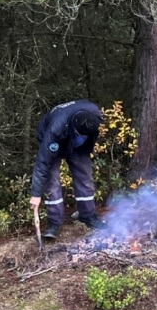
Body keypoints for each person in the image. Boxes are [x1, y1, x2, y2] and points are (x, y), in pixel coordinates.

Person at [29, 99, 108, 239]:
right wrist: (36, 194)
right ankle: (54, 222)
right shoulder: (54, 130)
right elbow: (42, 163)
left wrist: (84, 144)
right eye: (80, 134)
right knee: (52, 182)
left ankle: (87, 215)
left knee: (84, 176)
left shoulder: (93, 117)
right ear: (74, 126)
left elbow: (91, 137)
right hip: (55, 140)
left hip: (77, 146)